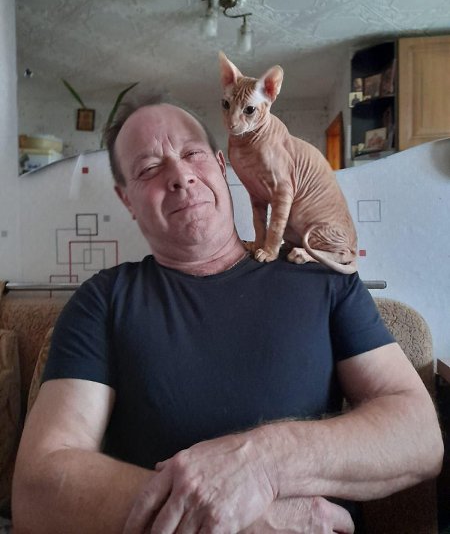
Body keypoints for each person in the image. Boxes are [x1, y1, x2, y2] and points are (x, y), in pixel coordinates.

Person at [12, 100, 443, 533]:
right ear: (127, 200)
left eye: (192, 153)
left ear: (222, 167)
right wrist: (241, 522)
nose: (180, 175)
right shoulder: (101, 301)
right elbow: (38, 488)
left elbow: (420, 437)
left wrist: (262, 463)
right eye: (149, 168)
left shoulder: (323, 277)